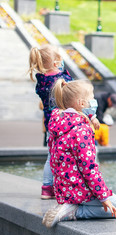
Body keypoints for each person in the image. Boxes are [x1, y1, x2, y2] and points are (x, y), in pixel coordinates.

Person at [42, 79, 116, 228]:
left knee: (106, 205)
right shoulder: (81, 129)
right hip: (79, 190)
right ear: (81, 104)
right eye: (92, 98)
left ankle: (69, 206)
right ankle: (74, 212)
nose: (94, 101)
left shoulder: (57, 124)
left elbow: (53, 160)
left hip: (63, 190)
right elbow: (88, 168)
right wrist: (103, 196)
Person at [29, 44, 74, 200]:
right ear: (56, 63)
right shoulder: (62, 79)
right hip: (65, 124)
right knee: (66, 155)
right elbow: (73, 93)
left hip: (50, 124)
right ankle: (64, 186)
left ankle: (47, 188)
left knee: (51, 156)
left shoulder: (40, 80)